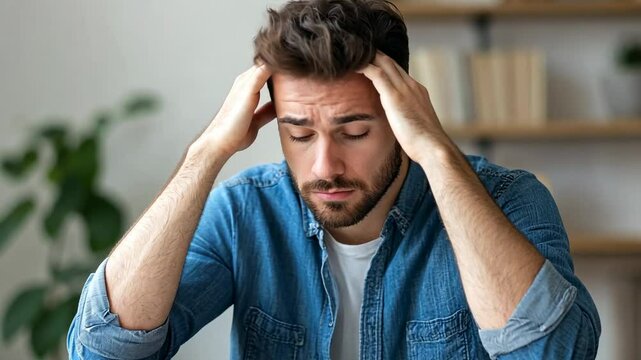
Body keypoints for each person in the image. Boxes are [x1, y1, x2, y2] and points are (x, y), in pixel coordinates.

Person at [67, 0, 600, 359]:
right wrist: (206, 154)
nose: (324, 167)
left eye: (355, 130)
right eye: (299, 134)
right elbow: (101, 350)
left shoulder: (508, 200)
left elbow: (554, 351)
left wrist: (436, 154)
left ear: (402, 113)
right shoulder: (246, 213)